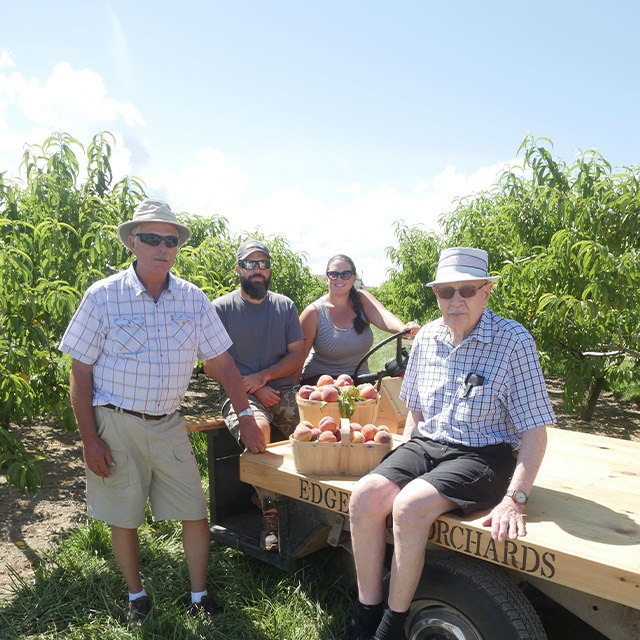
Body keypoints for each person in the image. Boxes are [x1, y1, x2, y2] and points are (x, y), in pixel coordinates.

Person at [59, 199, 263, 623]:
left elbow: (222, 363)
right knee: (124, 514)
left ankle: (199, 595)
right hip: (116, 422)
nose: (163, 247)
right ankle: (136, 596)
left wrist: (245, 416)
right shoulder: (103, 296)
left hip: (170, 423)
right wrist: (90, 440)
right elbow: (80, 372)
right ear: (133, 242)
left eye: (170, 240)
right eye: (152, 238)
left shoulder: (191, 298)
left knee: (194, 508)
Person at [341, 247, 556, 640]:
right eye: (446, 291)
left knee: (409, 506)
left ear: (487, 291)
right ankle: (366, 613)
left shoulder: (513, 341)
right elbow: (418, 413)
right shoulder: (428, 339)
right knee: (365, 496)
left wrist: (516, 498)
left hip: (485, 453)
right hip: (429, 443)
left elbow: (535, 430)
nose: (456, 300)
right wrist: (402, 461)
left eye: (467, 289)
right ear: (436, 295)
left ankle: (391, 626)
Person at [211, 239, 306, 552]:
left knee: (314, 431)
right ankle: (270, 513)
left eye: (263, 264)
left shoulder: (284, 306)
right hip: (238, 392)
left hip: (280, 387)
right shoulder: (221, 309)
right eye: (250, 264)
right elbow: (211, 366)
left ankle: (310, 504)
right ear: (238, 269)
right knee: (259, 434)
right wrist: (251, 386)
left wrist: (264, 378)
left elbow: (296, 357)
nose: (258, 270)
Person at [298, 254, 419, 385]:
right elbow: (298, 356)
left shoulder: (362, 299)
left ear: (353, 278)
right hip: (321, 380)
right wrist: (294, 392)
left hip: (359, 378)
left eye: (346, 274)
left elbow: (383, 315)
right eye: (334, 274)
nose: (339, 278)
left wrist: (403, 329)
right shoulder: (314, 312)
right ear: (327, 278)